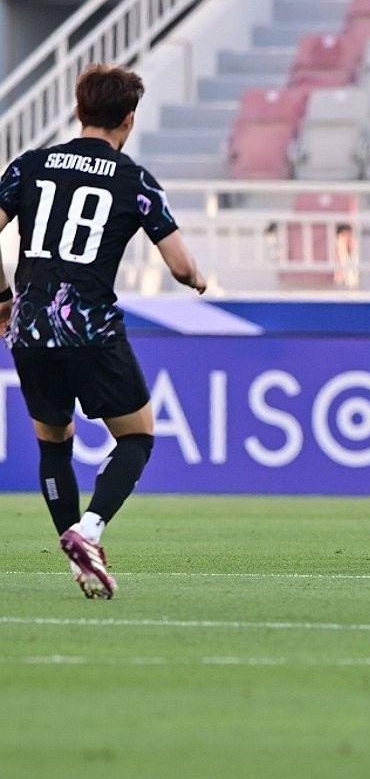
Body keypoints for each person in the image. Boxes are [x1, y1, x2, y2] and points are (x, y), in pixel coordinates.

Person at [0, 64, 208, 599]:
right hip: (89, 327)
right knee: (137, 436)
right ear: (129, 120)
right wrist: (200, 279)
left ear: (78, 110)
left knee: (54, 442)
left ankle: (77, 559)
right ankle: (88, 530)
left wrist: (3, 300)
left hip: (30, 328)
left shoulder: (29, 166)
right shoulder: (133, 179)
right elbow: (181, 266)